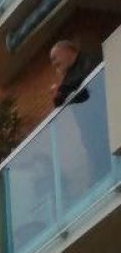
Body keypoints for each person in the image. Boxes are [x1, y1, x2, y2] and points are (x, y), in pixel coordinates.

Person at [48, 39, 112, 193]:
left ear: (69, 50)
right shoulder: (69, 77)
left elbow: (86, 80)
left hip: (105, 125)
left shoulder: (88, 58)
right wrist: (58, 95)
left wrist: (63, 88)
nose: (53, 63)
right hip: (93, 137)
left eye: (55, 56)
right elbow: (70, 98)